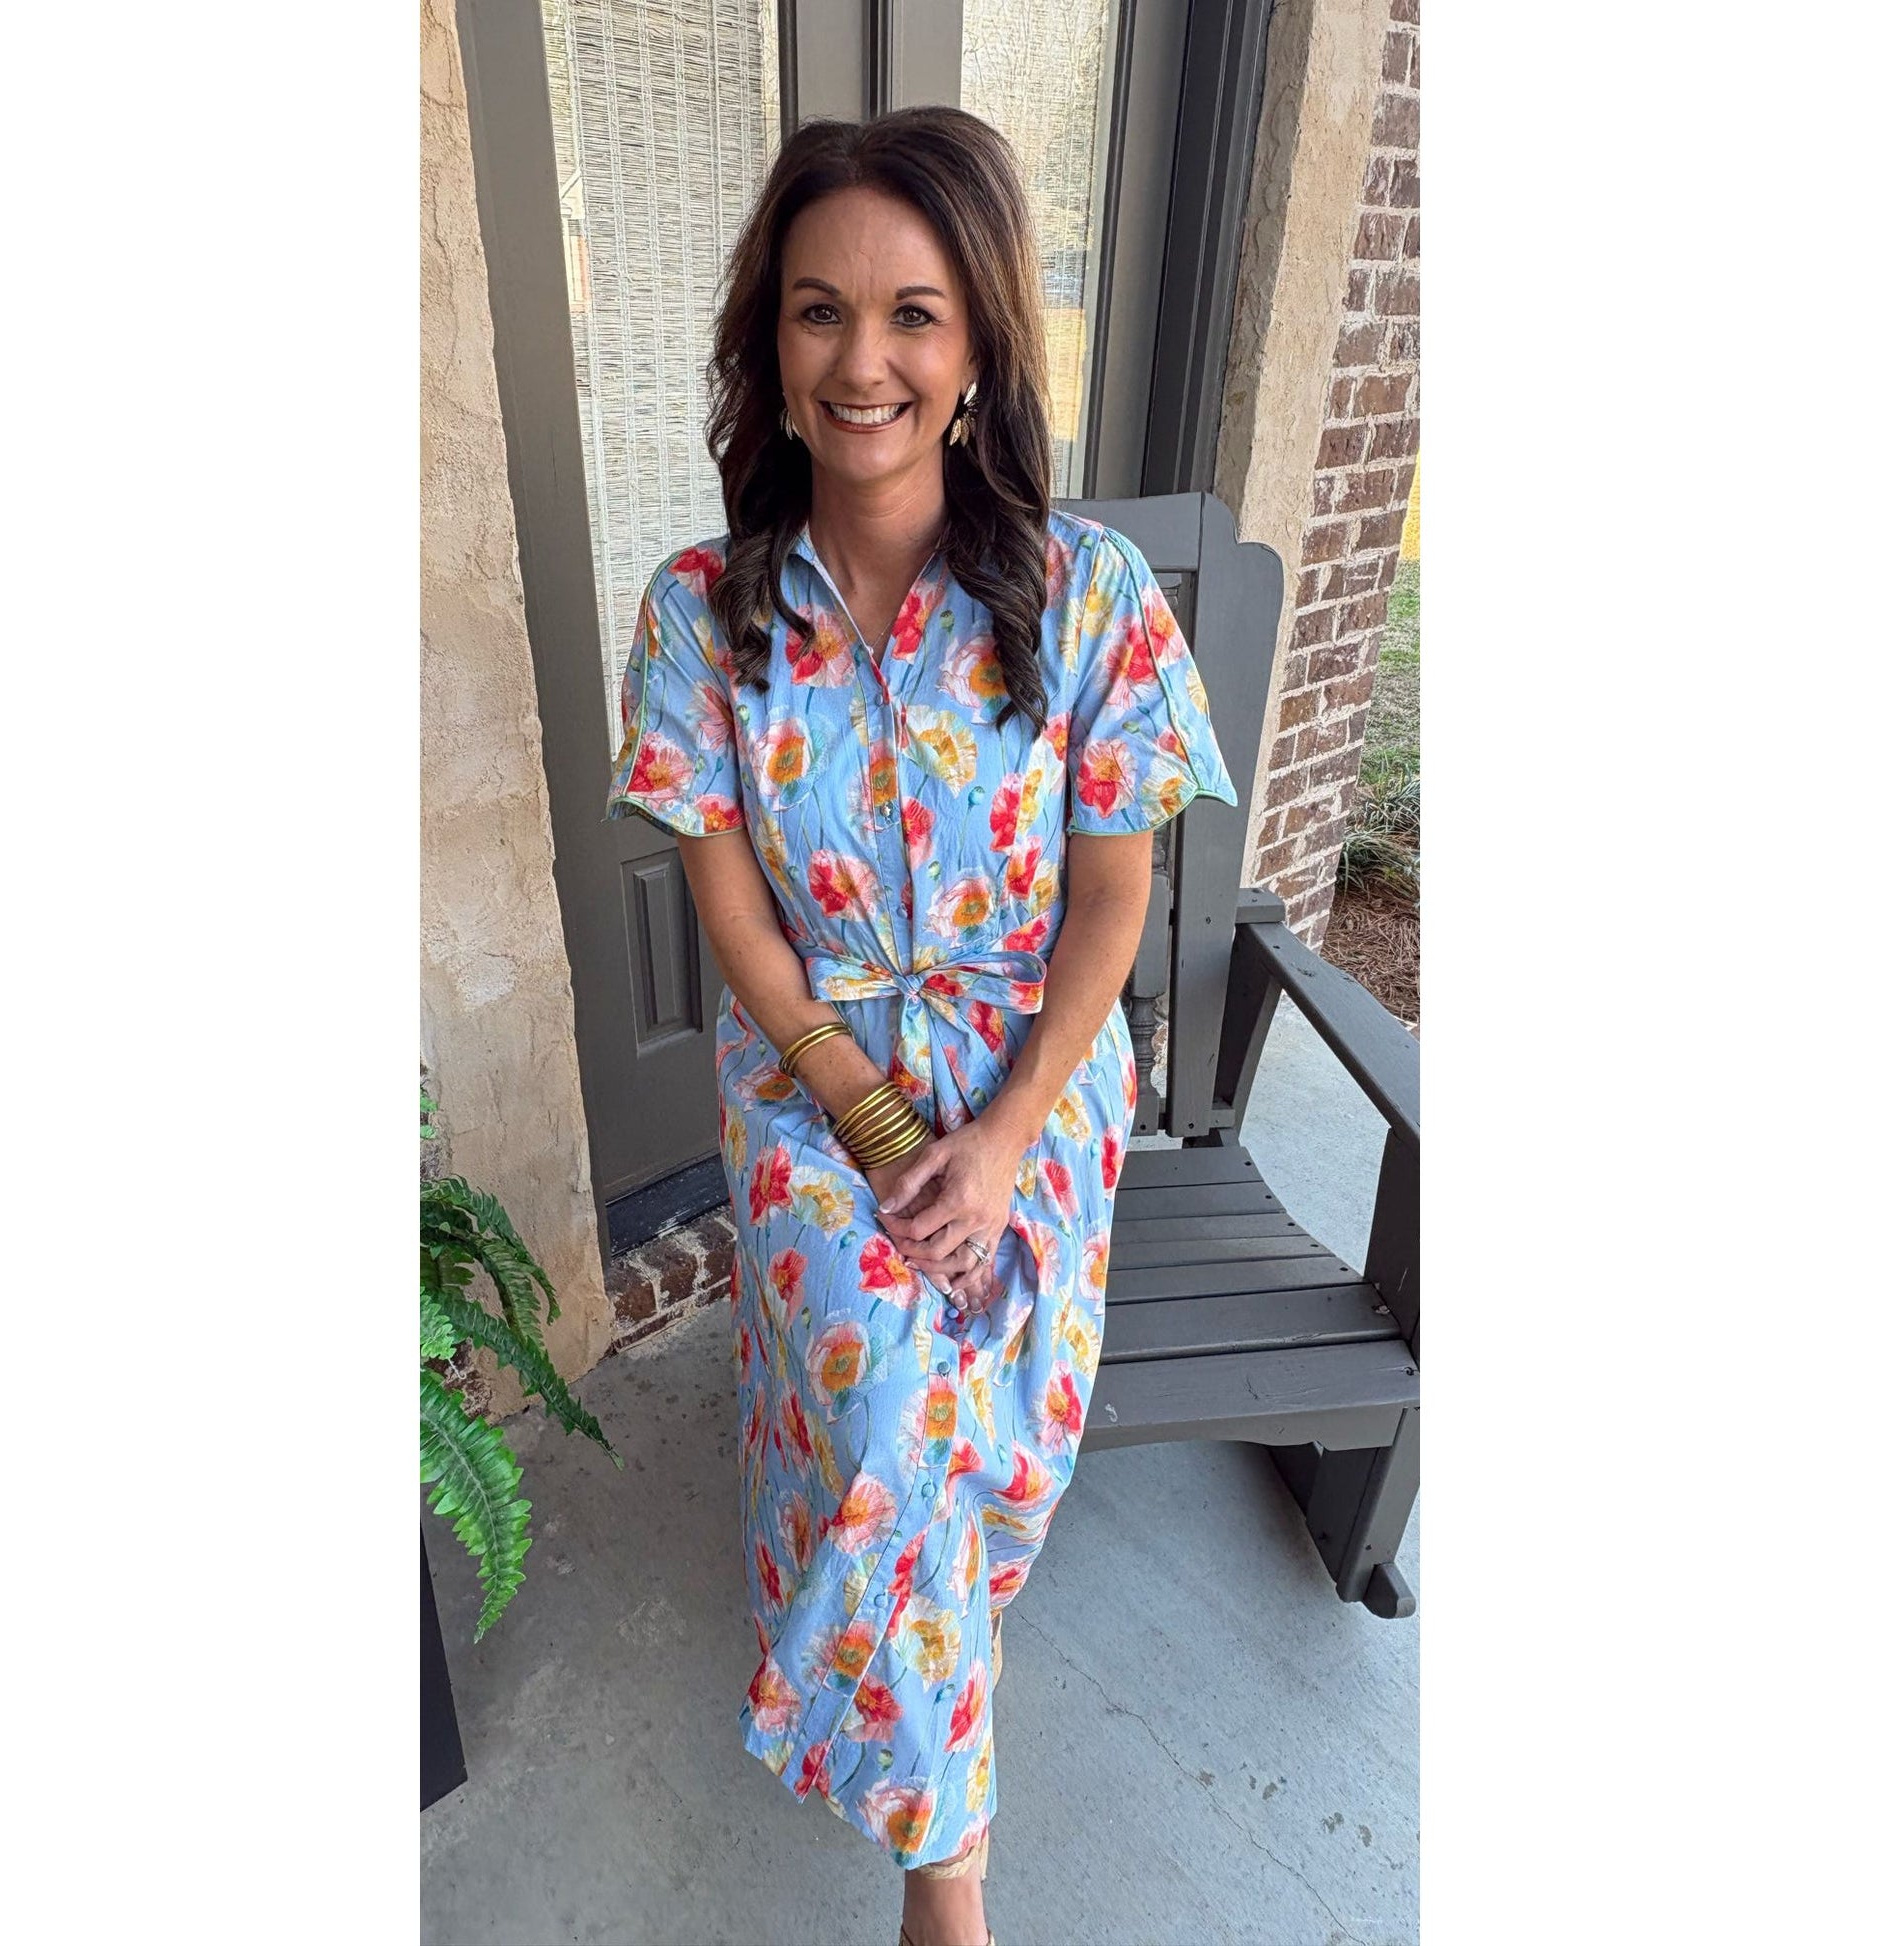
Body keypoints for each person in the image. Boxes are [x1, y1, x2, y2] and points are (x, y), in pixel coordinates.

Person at [604, 105, 1238, 1946]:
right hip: (813, 1082)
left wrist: (1017, 1120)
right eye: (816, 314)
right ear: (768, 344)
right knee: (894, 1411)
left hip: (1032, 1081)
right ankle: (944, 1886)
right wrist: (863, 1112)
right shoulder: (698, 613)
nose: (860, 359)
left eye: (911, 314)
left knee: (973, 1455)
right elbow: (726, 891)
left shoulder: (1090, 595)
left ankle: (906, 1619)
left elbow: (1112, 898)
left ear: (973, 354)